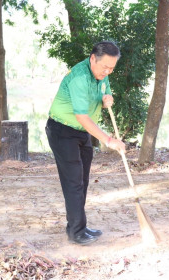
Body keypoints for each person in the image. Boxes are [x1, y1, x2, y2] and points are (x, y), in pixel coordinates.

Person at [45, 41, 126, 245]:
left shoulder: (103, 75)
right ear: (92, 58)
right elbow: (81, 116)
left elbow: (104, 95)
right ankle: (76, 231)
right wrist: (108, 140)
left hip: (82, 133)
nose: (107, 71)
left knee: (82, 180)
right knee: (73, 182)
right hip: (63, 130)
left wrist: (108, 99)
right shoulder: (80, 77)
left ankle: (77, 225)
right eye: (104, 67)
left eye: (111, 68)